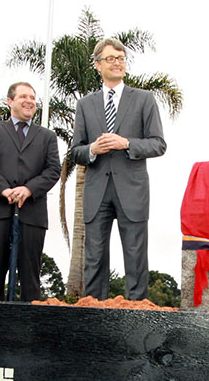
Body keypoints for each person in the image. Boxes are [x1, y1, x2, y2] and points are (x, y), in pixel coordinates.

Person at [68, 38, 167, 301]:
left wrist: (126, 143)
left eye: (121, 58)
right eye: (111, 58)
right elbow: (75, 150)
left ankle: (135, 320)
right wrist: (92, 150)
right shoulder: (85, 105)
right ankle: (95, 320)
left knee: (135, 259)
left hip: (132, 191)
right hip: (96, 190)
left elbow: (158, 144)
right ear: (98, 65)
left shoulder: (144, 99)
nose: (118, 63)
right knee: (94, 260)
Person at [0, 82, 61, 301]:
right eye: (23, 96)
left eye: (32, 97)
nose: (29, 101)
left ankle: (28, 331)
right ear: (10, 101)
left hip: (32, 214)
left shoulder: (47, 137)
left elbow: (53, 170)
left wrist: (28, 189)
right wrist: (3, 189)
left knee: (30, 277)